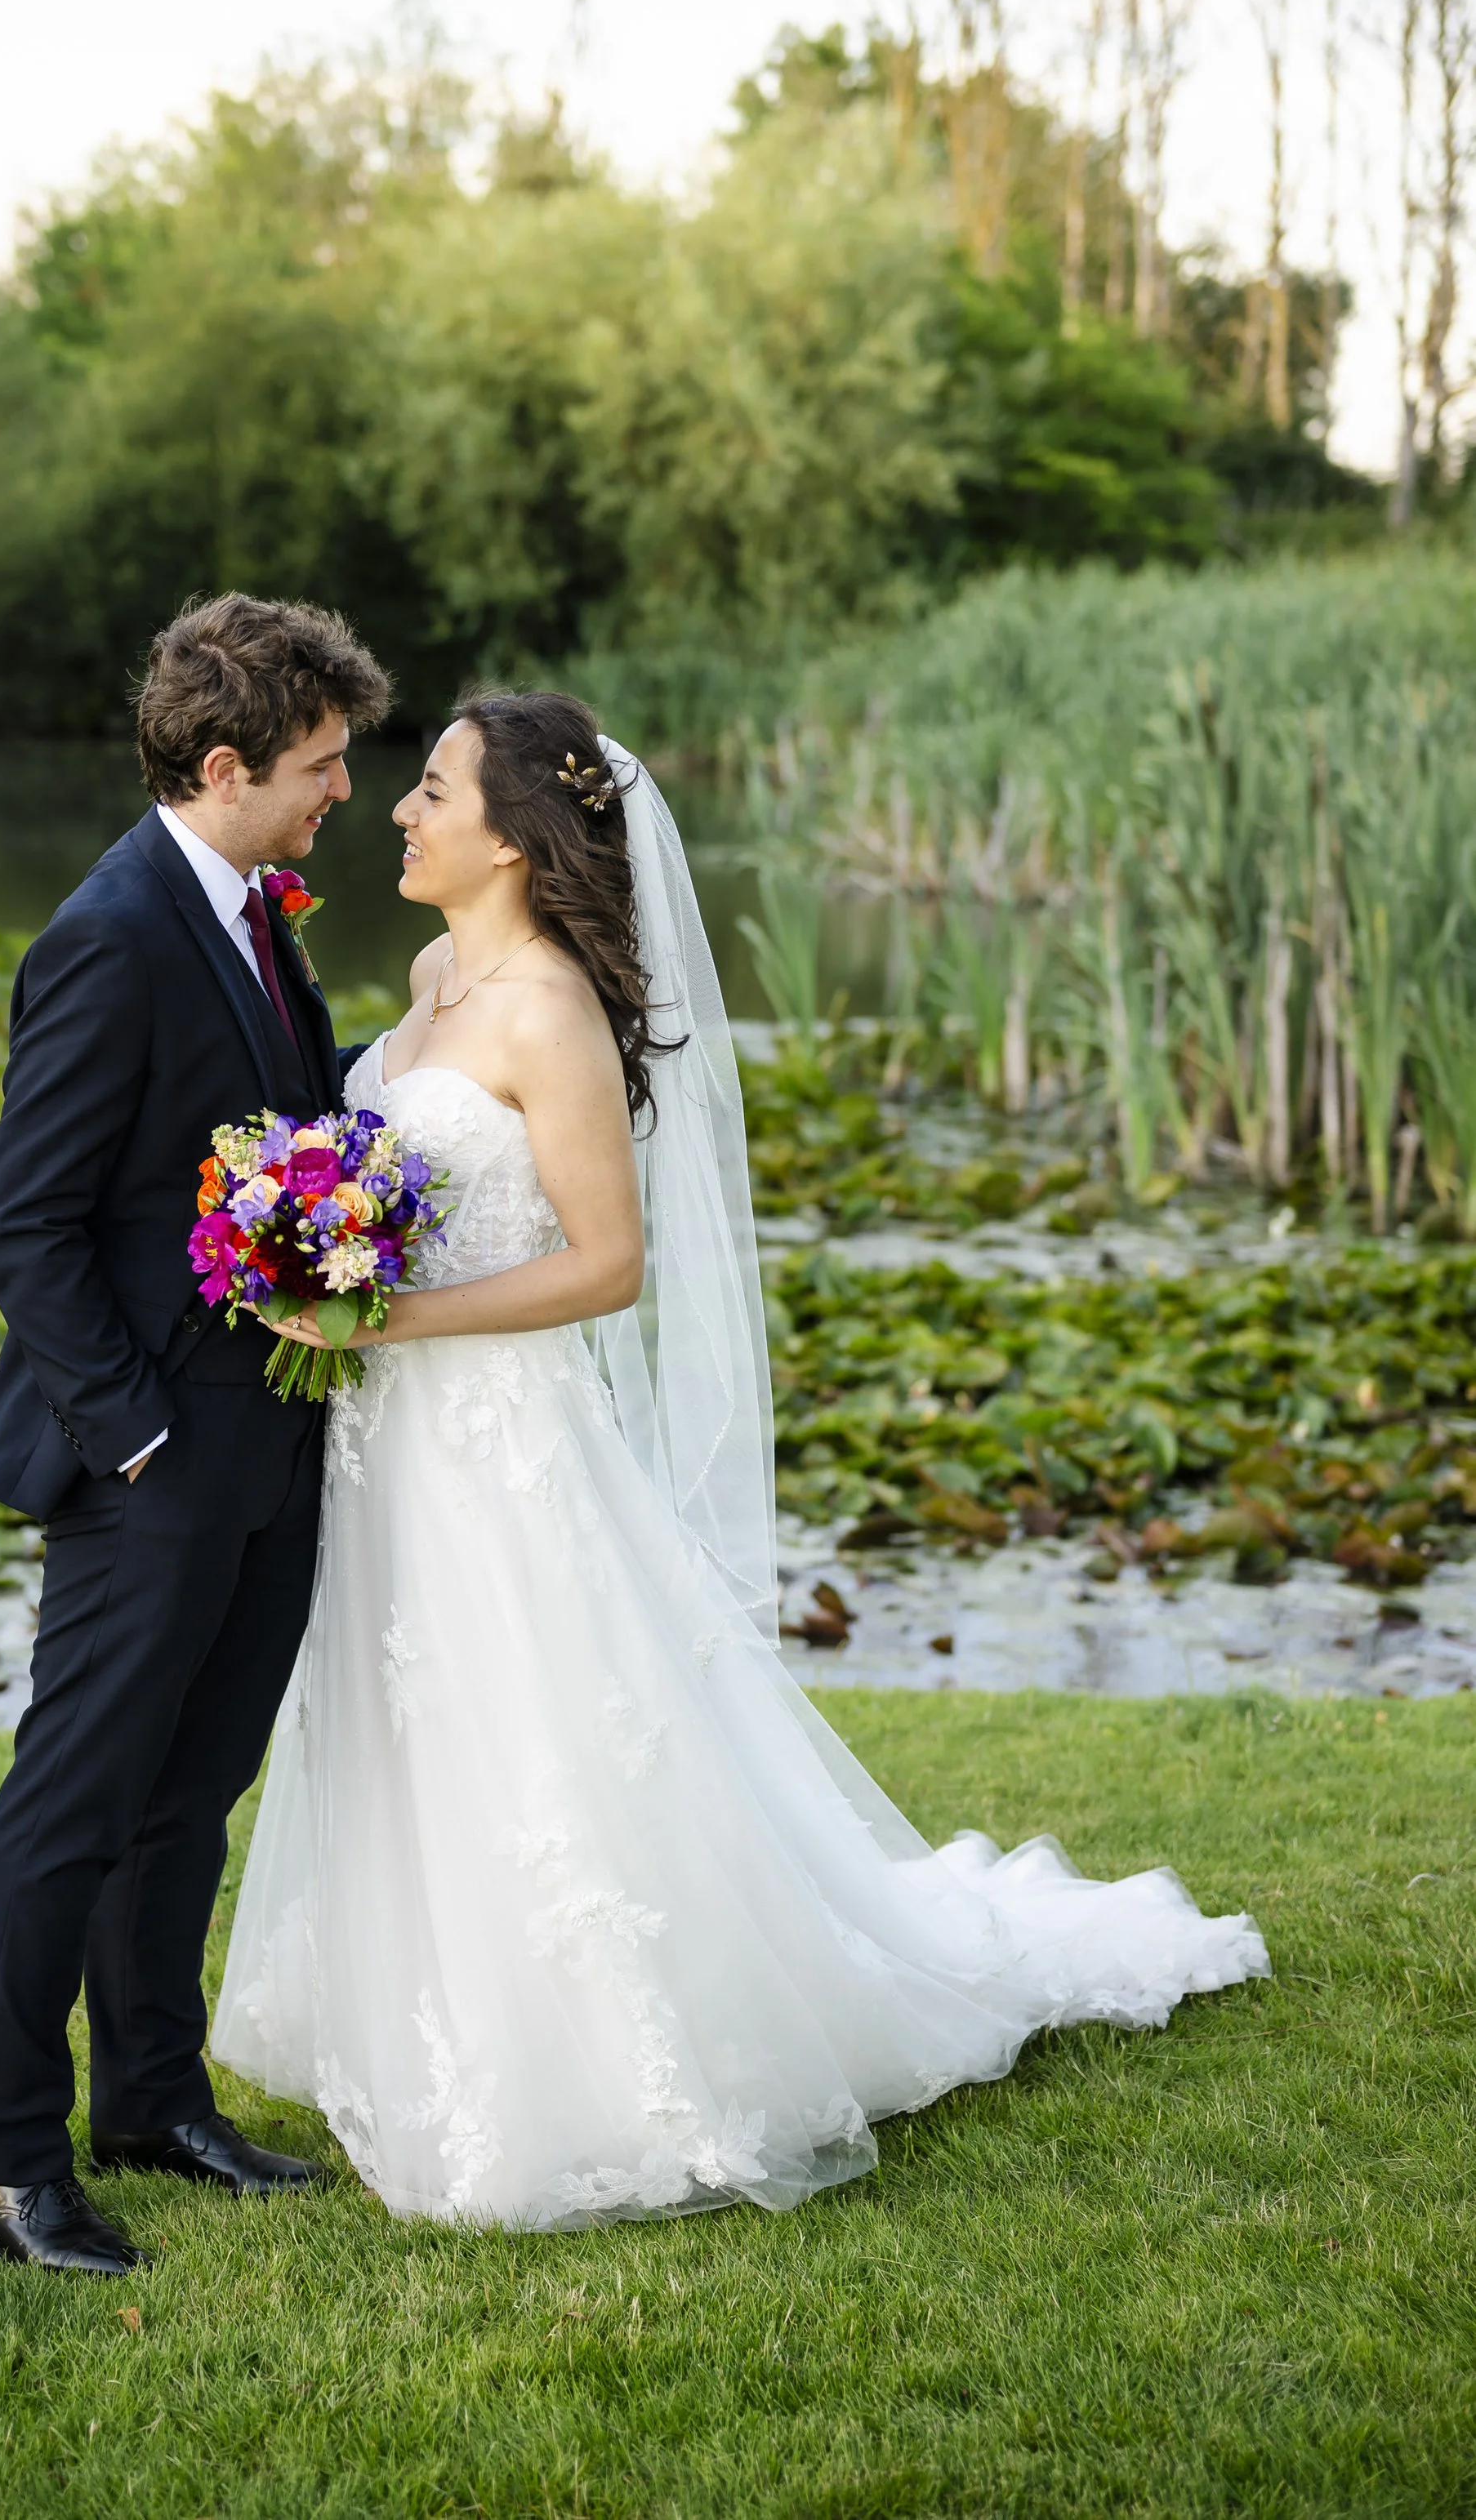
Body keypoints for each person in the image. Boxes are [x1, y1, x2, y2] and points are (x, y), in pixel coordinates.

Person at [216, 689, 1269, 2229]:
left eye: (432, 788)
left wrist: (392, 1315)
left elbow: (607, 1265)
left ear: (510, 833)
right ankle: (422, 2021)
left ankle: (592, 2062)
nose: (399, 809)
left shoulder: (553, 1013)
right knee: (404, 1710)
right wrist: (320, 1250)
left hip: (499, 1439)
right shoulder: (440, 971)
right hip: (393, 1443)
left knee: (530, 1720)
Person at [0, 593, 390, 2273]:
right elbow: (25, 1220)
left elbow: (270, 1125)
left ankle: (150, 2099)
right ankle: (5, 2165)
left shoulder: (254, 910)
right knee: (72, 1804)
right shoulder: (113, 932)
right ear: (225, 767)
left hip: (266, 1445)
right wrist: (133, 1440)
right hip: (147, 1464)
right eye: (320, 765)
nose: (342, 790)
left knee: (188, 1795)